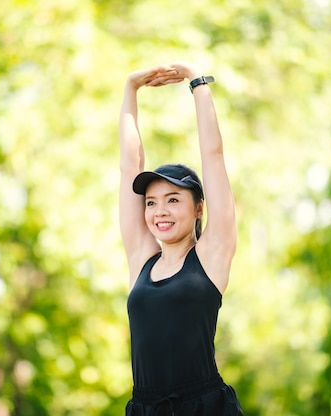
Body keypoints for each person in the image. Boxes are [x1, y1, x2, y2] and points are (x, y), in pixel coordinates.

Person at [119, 61, 244, 416]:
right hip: (144, 409)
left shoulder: (211, 255)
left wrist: (197, 82)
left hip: (204, 408)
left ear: (199, 209)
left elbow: (213, 156)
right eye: (152, 202)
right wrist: (130, 89)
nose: (160, 211)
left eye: (173, 200)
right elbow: (130, 165)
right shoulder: (142, 258)